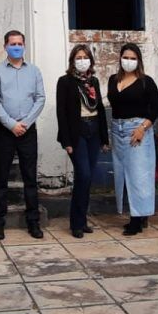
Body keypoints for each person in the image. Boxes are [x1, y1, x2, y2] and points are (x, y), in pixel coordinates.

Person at [0, 30, 46, 240]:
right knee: (0, 178)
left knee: (30, 178)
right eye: (13, 44)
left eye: (20, 43)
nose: (17, 47)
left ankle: (33, 223)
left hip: (28, 131)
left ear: (24, 46)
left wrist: (26, 123)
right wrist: (12, 124)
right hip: (5, 131)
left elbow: (40, 99)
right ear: (5, 47)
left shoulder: (35, 71)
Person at [56, 44, 109, 238]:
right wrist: (67, 141)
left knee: (88, 179)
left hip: (94, 131)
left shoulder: (92, 81)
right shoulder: (65, 82)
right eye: (78, 57)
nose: (82, 60)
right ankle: (76, 223)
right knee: (83, 175)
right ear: (72, 61)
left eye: (85, 57)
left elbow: (100, 109)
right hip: (76, 133)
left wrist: (104, 137)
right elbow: (61, 113)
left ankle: (82, 220)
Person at [107, 42, 158, 236]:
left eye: (132, 58)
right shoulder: (113, 79)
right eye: (125, 57)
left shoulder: (146, 82)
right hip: (117, 128)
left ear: (138, 61)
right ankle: (135, 214)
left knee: (139, 175)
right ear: (120, 59)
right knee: (121, 173)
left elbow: (155, 108)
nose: (128, 61)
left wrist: (143, 128)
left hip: (137, 129)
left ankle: (137, 220)